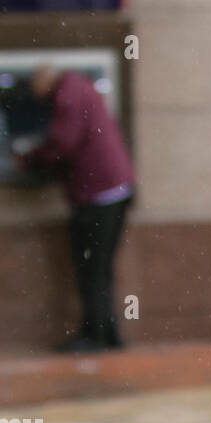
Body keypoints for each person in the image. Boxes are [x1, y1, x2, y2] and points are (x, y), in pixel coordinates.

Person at [15, 65, 135, 352]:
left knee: (91, 268)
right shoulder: (81, 88)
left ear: (44, 81)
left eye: (35, 89)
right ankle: (108, 335)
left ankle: (94, 336)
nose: (36, 96)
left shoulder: (68, 95)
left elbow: (63, 144)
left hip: (97, 194)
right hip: (115, 189)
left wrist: (29, 159)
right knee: (101, 268)